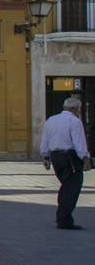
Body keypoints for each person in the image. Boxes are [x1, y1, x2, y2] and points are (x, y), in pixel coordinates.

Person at [40, 97, 92, 230]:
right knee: (72, 187)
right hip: (70, 156)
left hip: (56, 157)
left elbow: (45, 139)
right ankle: (64, 219)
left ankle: (63, 217)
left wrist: (45, 156)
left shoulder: (51, 120)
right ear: (76, 109)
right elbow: (79, 142)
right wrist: (85, 159)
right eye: (79, 110)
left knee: (66, 186)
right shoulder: (74, 121)